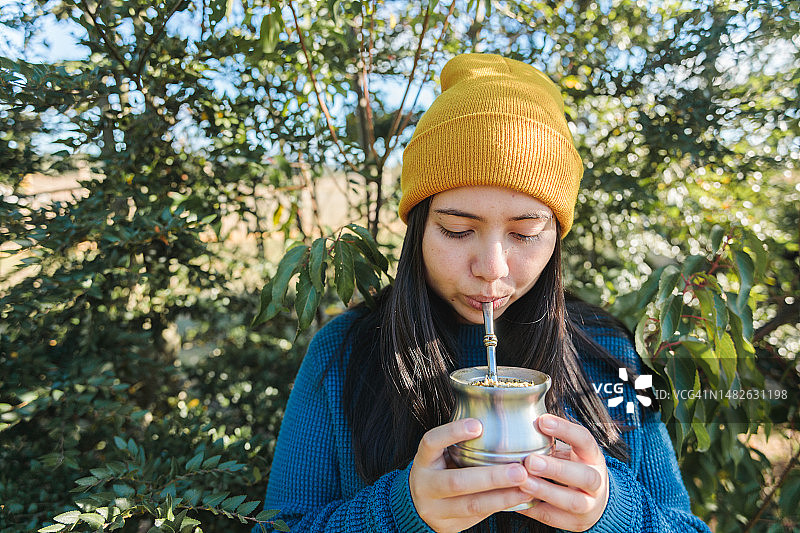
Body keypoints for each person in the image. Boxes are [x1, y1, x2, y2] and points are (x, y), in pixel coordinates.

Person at [260, 53, 711, 533]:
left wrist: (610, 511)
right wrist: (400, 512)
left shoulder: (604, 355)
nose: (491, 269)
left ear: (556, 237)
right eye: (457, 230)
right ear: (418, 229)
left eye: (524, 233)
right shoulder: (345, 353)